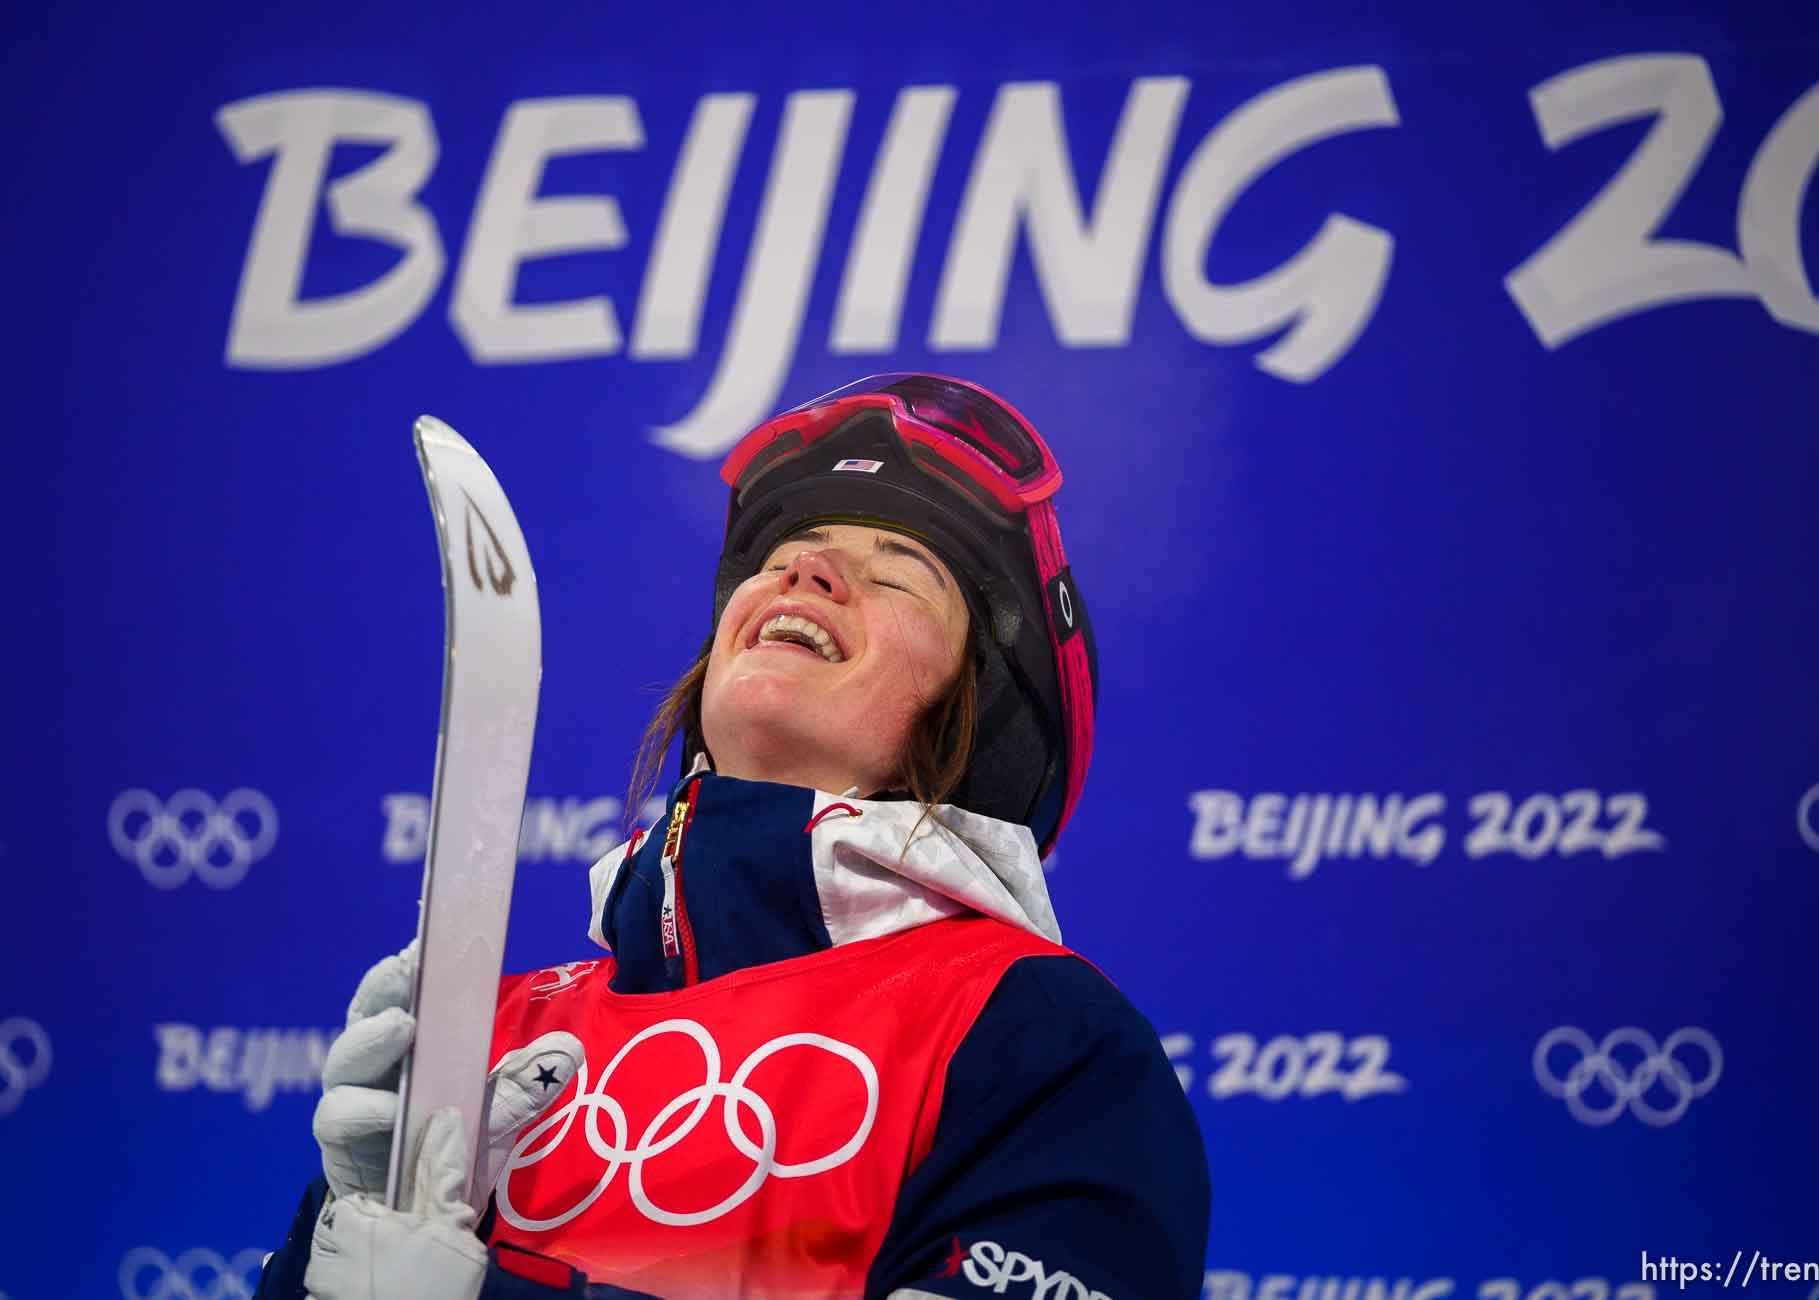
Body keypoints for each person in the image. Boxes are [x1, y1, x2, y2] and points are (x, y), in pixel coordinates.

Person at [254, 374, 1210, 1300]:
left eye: (896, 574)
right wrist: (332, 1240)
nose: (805, 569)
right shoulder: (505, 1035)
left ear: (982, 716)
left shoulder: (1040, 1034)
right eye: (785, 556)